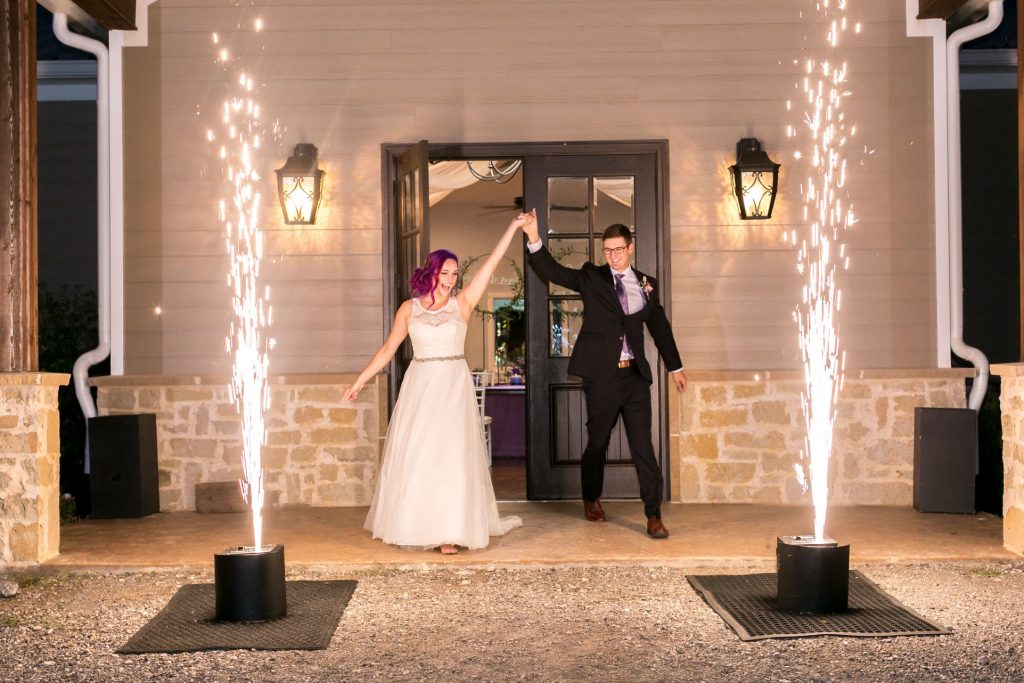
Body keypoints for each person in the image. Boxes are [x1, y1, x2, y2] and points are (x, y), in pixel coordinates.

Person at [344, 215, 528, 554]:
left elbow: (491, 263)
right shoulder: (409, 309)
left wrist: (513, 229)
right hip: (421, 386)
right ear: (431, 273)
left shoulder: (464, 303)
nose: (451, 279)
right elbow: (388, 350)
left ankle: (448, 532)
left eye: (455, 273)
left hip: (453, 386)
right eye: (445, 272)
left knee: (452, 456)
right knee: (421, 454)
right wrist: (360, 380)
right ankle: (416, 524)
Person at [521, 210, 686, 539]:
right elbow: (552, 271)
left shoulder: (646, 285)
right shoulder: (591, 277)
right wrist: (533, 236)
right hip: (602, 378)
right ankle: (591, 496)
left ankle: (653, 515)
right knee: (598, 442)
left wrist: (675, 366)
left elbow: (660, 328)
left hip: (635, 377)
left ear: (630, 248)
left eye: (618, 250)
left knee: (643, 446)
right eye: (607, 250)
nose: (612, 256)